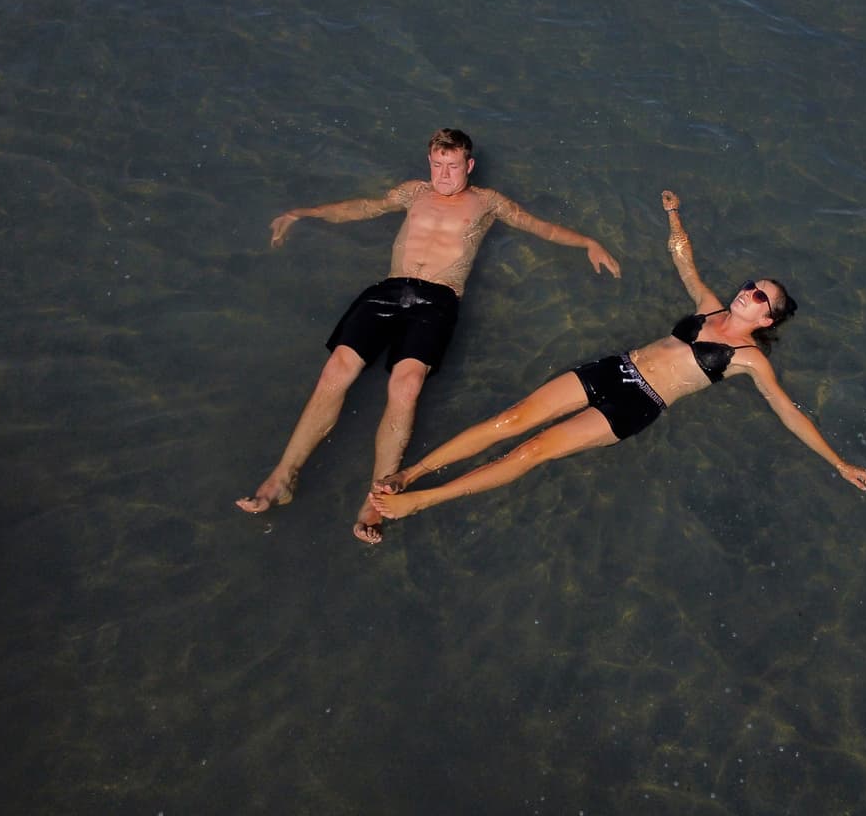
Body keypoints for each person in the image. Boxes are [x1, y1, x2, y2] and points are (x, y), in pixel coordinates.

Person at [368, 189, 866, 522]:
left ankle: (420, 501)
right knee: (511, 418)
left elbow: (788, 412)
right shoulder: (708, 307)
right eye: (750, 285)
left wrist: (838, 462)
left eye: (761, 297)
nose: (749, 293)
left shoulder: (749, 357)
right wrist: (673, 213)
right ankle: (409, 474)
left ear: (767, 320)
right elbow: (684, 261)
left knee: (529, 451)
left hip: (637, 404)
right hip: (616, 367)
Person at [235, 128, 622, 544]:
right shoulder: (413, 192)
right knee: (337, 368)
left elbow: (539, 227)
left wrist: (587, 243)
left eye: (452, 166)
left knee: (406, 384)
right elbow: (363, 207)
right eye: (437, 165)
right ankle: (283, 477)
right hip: (387, 290)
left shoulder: (487, 202)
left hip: (437, 300)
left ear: (468, 166)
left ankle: (377, 498)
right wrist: (305, 213)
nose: (443, 174)